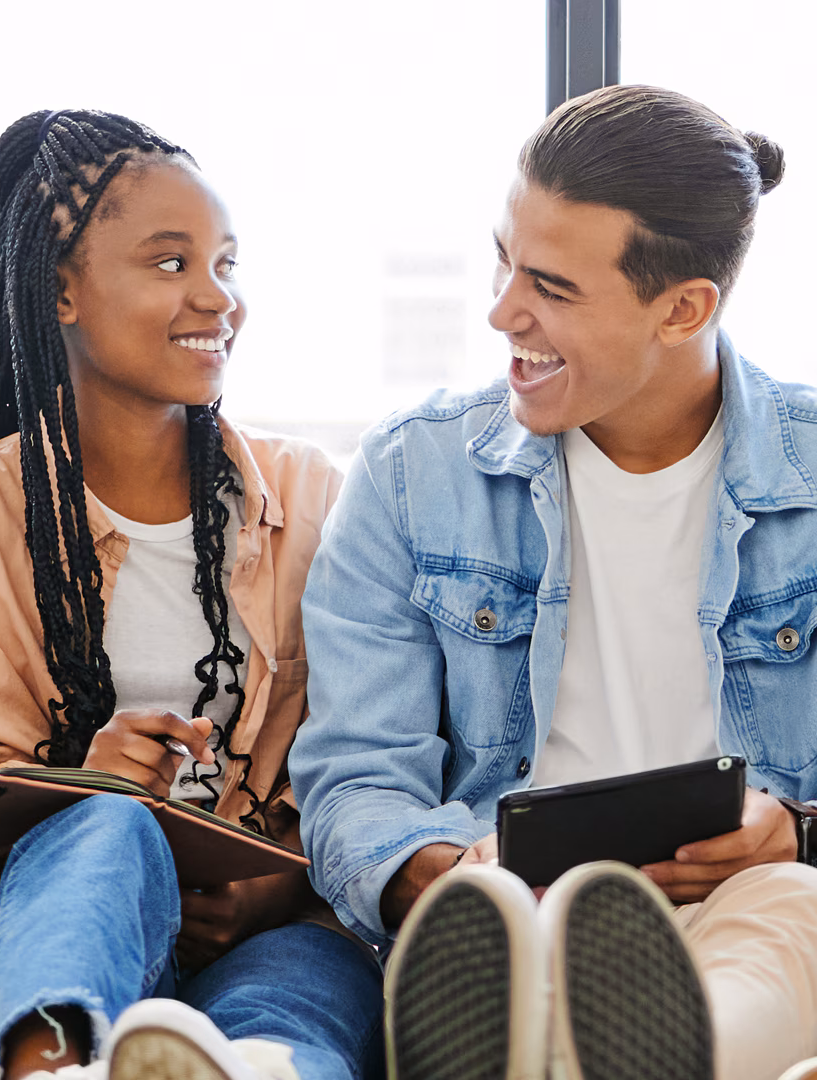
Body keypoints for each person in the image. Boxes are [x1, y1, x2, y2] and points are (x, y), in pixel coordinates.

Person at [291, 84, 817, 1080]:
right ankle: (564, 1024)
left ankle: (625, 1052)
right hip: (504, 918)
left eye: (552, 287)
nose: (501, 313)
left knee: (791, 910)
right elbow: (356, 779)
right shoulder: (413, 475)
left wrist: (794, 829)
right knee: (495, 932)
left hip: (747, 907)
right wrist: (441, 873)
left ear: (684, 308)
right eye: (503, 258)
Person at [0, 109, 379, 1080]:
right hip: (37, 933)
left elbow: (380, 755)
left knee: (292, 1014)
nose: (216, 298)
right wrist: (83, 786)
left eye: (226, 264)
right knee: (106, 829)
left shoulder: (312, 500)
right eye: (169, 263)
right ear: (62, 290)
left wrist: (281, 888)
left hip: (266, 935)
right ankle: (48, 1065)